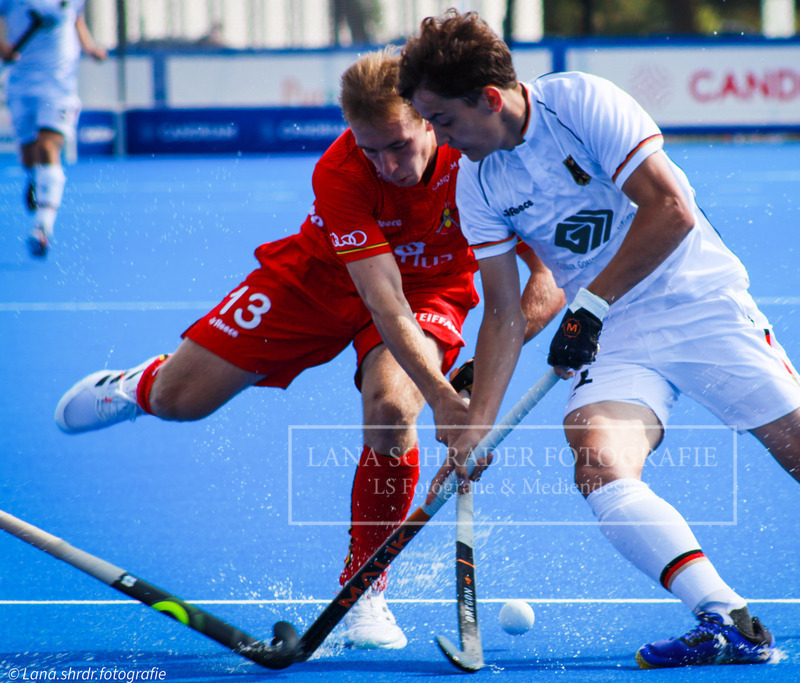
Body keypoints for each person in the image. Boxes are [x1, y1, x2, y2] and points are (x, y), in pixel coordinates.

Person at [398, 10, 800, 669]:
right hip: (616, 334)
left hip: (697, 301)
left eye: (443, 120)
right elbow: (502, 314)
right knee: (598, 460)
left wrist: (590, 303)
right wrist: (478, 429)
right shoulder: (477, 181)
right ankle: (728, 618)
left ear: (489, 99)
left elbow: (671, 210)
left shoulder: (579, 103)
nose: (436, 137)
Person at [53, 48, 563, 651]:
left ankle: (364, 589)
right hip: (320, 279)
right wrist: (446, 400)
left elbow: (548, 281)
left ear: (430, 118)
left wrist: (479, 375)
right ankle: (139, 386)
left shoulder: (478, 153)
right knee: (181, 399)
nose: (387, 165)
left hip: (431, 288)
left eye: (398, 145)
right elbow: (383, 301)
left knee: (393, 411)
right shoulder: (342, 173)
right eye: (369, 147)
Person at [0, 0, 107, 258]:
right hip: (20, 82)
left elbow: (77, 18)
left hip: (59, 84)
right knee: (29, 156)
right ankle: (36, 178)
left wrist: (89, 47)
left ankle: (42, 227)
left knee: (47, 147)